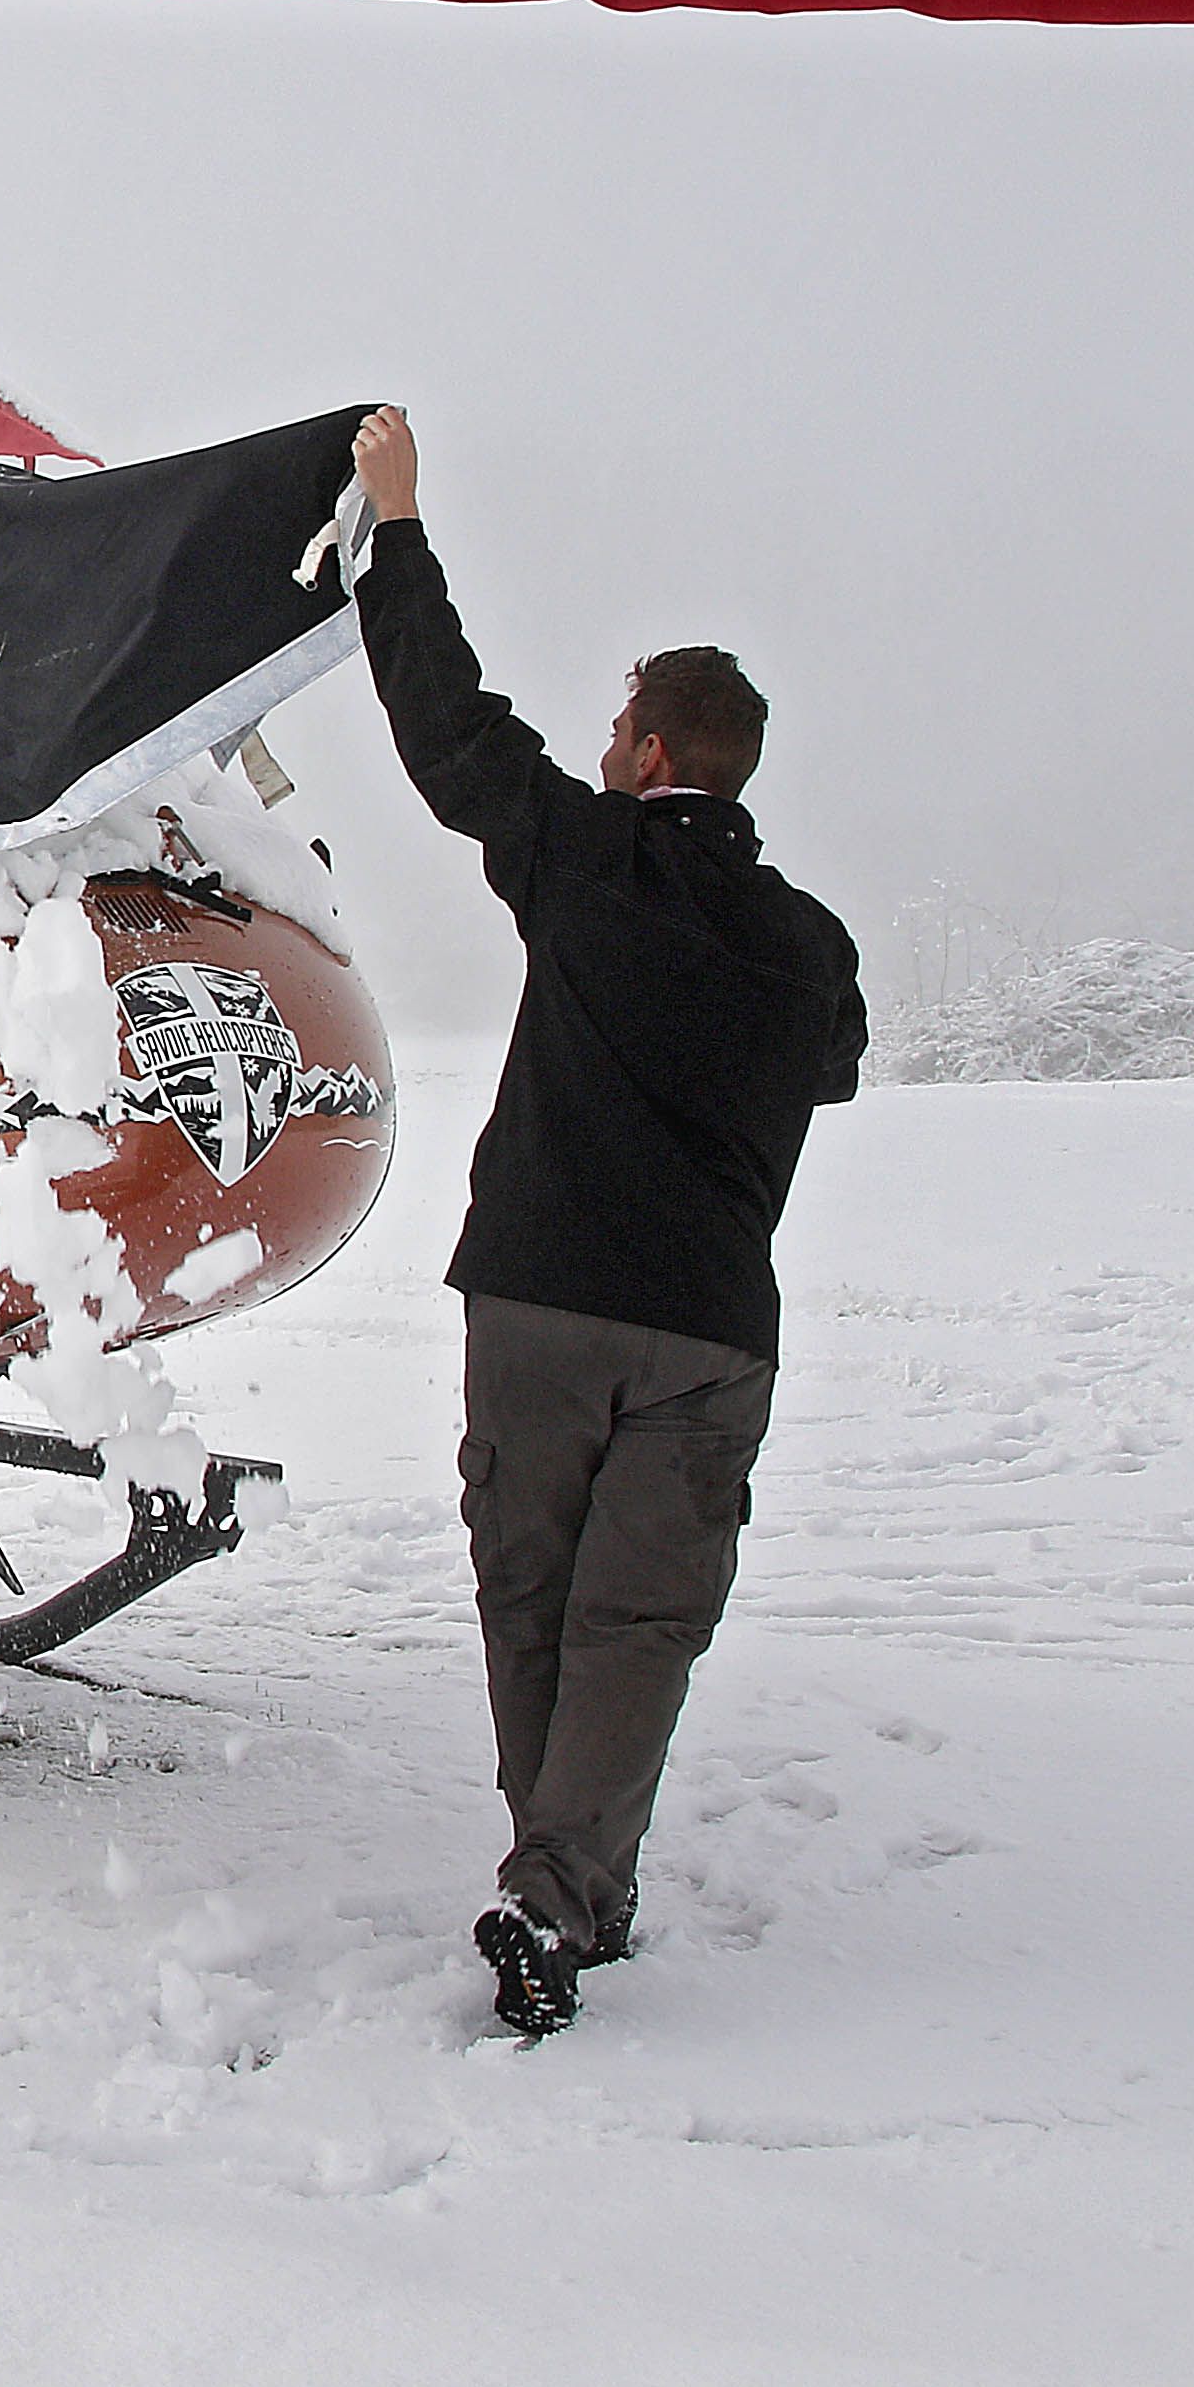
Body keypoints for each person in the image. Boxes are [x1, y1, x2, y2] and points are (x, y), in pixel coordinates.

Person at [348, 407, 865, 2042]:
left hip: (539, 1302)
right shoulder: (805, 945)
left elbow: (447, 727)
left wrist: (394, 528)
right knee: (637, 1621)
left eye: (614, 724)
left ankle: (555, 1889)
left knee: (531, 1596)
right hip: (709, 1328)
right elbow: (834, 1065)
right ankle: (564, 1895)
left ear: (645, 753)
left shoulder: (584, 860)